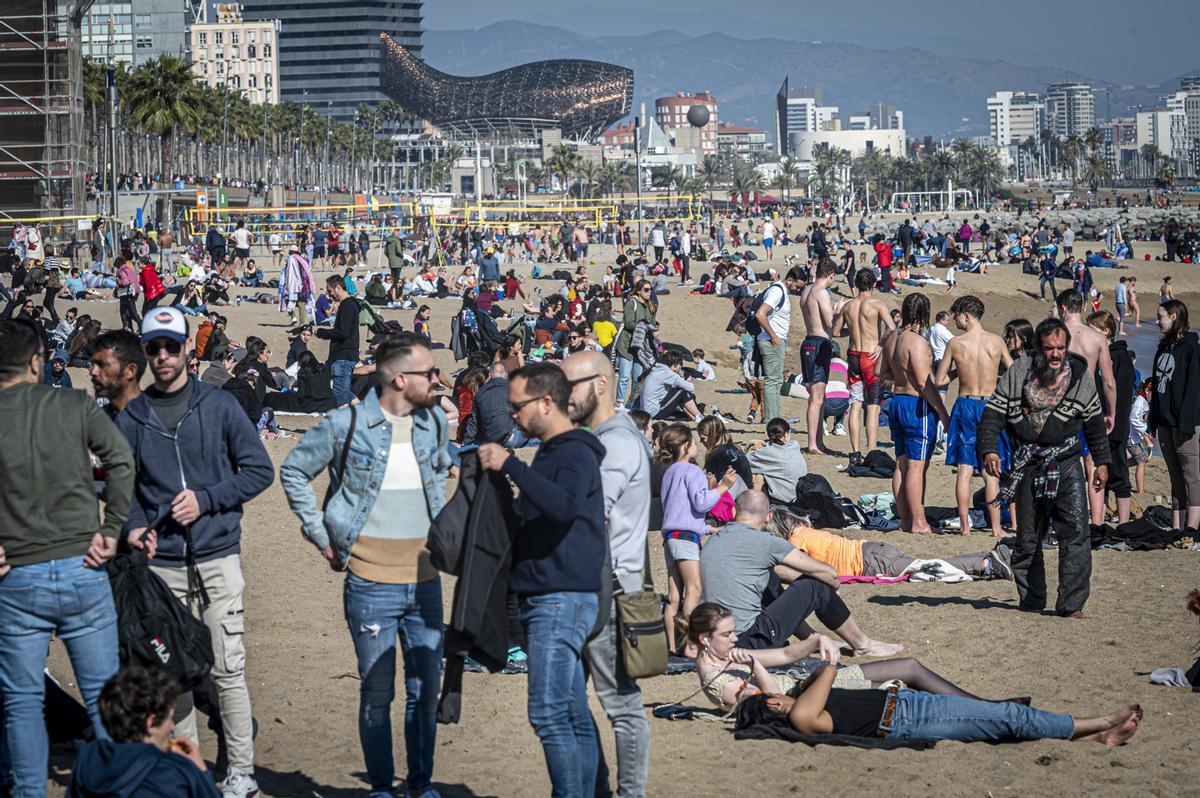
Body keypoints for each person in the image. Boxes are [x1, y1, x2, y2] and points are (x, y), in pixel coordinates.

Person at [280, 334, 449, 798]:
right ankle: (380, 787)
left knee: (423, 692)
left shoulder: (434, 422)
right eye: (429, 373)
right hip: (370, 582)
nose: (438, 380)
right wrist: (321, 536)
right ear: (399, 378)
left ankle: (420, 784)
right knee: (377, 693)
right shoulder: (344, 424)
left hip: (426, 582)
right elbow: (294, 471)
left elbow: (438, 478)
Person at [115, 306, 274, 796]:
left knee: (228, 669)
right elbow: (124, 492)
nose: (163, 356)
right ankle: (189, 772)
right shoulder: (132, 418)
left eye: (171, 345)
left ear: (188, 348)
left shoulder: (220, 406)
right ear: (145, 353)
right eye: (153, 347)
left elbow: (258, 470)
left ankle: (241, 774)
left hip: (218, 557)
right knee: (172, 678)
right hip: (161, 568)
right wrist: (137, 528)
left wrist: (207, 499)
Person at [0, 319, 134, 798]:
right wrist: (112, 528)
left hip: (18, 573)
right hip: (83, 565)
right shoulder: (74, 404)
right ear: (37, 361)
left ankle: (28, 791)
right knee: (103, 697)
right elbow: (120, 460)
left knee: (21, 702)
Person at [477, 363, 606, 798]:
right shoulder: (554, 452)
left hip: (560, 599)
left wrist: (512, 465)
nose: (510, 414)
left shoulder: (574, 452)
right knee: (570, 712)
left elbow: (565, 505)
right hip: (551, 597)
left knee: (549, 713)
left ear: (547, 402)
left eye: (517, 406)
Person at [562, 351, 653, 798]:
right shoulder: (607, 436)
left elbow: (587, 513)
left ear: (600, 384)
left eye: (569, 386)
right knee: (570, 704)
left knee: (620, 705)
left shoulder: (615, 442)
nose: (562, 397)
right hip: (596, 588)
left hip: (610, 593)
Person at [978, 318, 1109, 618]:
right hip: (1028, 463)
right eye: (1049, 348)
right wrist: (988, 449)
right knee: (1027, 539)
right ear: (1038, 347)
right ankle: (1032, 598)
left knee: (1076, 532)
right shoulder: (1020, 371)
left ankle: (1071, 604)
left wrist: (1101, 463)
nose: (1055, 354)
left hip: (1066, 463)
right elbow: (993, 414)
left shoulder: (1081, 378)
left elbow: (1095, 424)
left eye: (1060, 348)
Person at [681, 603, 1018, 714]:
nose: (736, 638)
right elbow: (770, 702)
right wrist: (754, 665)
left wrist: (815, 640)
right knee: (908, 676)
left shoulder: (729, 656)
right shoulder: (717, 681)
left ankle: (992, 708)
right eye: (727, 634)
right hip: (816, 696)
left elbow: (784, 653)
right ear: (704, 639)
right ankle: (993, 709)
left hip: (817, 682)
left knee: (910, 671)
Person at [699, 490, 902, 655]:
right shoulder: (765, 542)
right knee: (816, 585)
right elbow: (828, 573)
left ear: (735, 511)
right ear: (768, 517)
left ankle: (811, 638)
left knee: (771, 579)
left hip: (718, 639)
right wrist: (831, 587)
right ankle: (863, 644)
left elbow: (776, 573)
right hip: (751, 641)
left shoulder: (714, 541)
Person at [734, 665, 1141, 746]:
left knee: (1002, 723)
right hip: (910, 719)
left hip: (908, 706)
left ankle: (1094, 733)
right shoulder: (803, 716)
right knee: (1007, 717)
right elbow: (828, 671)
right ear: (772, 703)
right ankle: (1101, 722)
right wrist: (819, 671)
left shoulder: (803, 709)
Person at [66, 665, 220, 798]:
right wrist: (201, 771)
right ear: (151, 722)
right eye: (169, 719)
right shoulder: (173, 772)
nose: (172, 727)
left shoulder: (89, 757)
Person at [934, 295, 1012, 537]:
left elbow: (939, 380)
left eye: (957, 315)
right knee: (991, 470)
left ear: (966, 315)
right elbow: (1014, 371)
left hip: (966, 404)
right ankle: (996, 527)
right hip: (990, 405)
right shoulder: (996, 341)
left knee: (964, 469)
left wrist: (960, 371)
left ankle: (965, 525)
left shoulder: (956, 344)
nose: (956, 319)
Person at [657, 423, 737, 652]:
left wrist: (708, 530)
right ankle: (691, 647)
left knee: (674, 598)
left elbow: (679, 511)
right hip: (685, 540)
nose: (695, 445)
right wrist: (723, 487)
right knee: (694, 590)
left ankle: (672, 647)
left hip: (670, 538)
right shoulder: (692, 471)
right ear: (685, 445)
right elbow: (701, 503)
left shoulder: (669, 472)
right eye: (692, 442)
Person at [767, 506, 1011, 580]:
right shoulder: (806, 530)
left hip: (869, 561)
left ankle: (985, 563)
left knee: (930, 569)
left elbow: (788, 567)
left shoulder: (796, 539)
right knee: (924, 567)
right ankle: (986, 558)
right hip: (871, 552)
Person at [878, 293, 950, 535]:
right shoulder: (917, 342)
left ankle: (906, 520)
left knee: (901, 464)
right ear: (923, 314)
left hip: (897, 401)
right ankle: (919, 522)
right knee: (917, 467)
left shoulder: (892, 338)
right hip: (916, 405)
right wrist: (941, 410)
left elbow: (881, 371)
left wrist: (901, 376)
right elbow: (923, 382)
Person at [1056, 289, 1117, 525]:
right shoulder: (1098, 338)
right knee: (1093, 465)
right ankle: (1097, 523)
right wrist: (1111, 412)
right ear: (1082, 308)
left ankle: (1065, 520)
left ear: (1062, 308)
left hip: (1060, 408)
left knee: (1060, 463)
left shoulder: (1055, 335)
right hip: (1090, 407)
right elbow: (1109, 382)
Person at [1148, 300, 1200, 534]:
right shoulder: (1163, 348)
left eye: (1161, 317)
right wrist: (1152, 421)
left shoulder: (1191, 348)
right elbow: (1158, 388)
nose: (1157, 321)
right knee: (1175, 477)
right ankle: (1177, 526)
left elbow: (1193, 390)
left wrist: (1186, 424)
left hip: (1185, 424)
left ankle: (1192, 526)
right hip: (1164, 422)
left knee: (1192, 476)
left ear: (1173, 317)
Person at [834, 268, 893, 460]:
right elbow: (892, 328)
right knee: (873, 407)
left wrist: (851, 332)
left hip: (853, 355)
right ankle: (871, 451)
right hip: (870, 356)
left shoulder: (848, 306)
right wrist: (880, 344)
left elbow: (835, 332)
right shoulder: (876, 304)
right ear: (873, 284)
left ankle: (854, 452)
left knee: (855, 404)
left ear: (856, 284)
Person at [1087, 311, 1136, 524]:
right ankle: (1100, 518)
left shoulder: (1118, 356)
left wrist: (1116, 422)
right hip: (1098, 425)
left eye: (1093, 328)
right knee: (1099, 473)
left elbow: (1121, 394)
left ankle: (1123, 522)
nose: (1088, 333)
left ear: (1106, 331)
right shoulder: (1099, 354)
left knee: (1119, 474)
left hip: (1115, 425)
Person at [754, 267, 804, 428]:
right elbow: (760, 314)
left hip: (772, 340)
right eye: (797, 286)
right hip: (771, 341)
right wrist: (774, 337)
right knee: (772, 382)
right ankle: (771, 420)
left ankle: (774, 419)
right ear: (789, 280)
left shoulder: (779, 289)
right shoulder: (777, 291)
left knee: (775, 382)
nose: (798, 290)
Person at [798, 260, 837, 453]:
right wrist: (840, 310)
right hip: (818, 343)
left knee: (817, 396)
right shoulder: (821, 292)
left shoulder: (806, 291)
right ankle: (814, 443)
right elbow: (829, 322)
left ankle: (818, 442)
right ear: (830, 274)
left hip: (810, 342)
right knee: (817, 397)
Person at [316, 275, 360, 407]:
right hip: (343, 355)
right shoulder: (348, 305)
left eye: (329, 291)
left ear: (338, 288)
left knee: (339, 394)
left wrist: (321, 332)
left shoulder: (348, 305)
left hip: (344, 356)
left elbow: (343, 333)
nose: (328, 294)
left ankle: (344, 426)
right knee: (344, 392)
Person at [614, 280, 656, 407]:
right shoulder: (631, 303)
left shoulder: (650, 305)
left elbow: (651, 322)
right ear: (638, 291)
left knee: (637, 378)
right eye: (646, 289)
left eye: (650, 289)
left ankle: (631, 403)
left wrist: (653, 328)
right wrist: (643, 327)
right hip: (627, 345)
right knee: (624, 377)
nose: (649, 292)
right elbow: (629, 323)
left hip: (640, 347)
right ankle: (620, 402)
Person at [746, 418, 809, 503]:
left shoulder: (768, 452)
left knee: (758, 475)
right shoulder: (794, 445)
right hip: (800, 494)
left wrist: (753, 448)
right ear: (786, 434)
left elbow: (746, 461)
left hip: (784, 499)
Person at [89, 330, 146, 417]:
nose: (93, 372)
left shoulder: (154, 424)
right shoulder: (98, 420)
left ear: (130, 371)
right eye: (93, 364)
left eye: (102, 365)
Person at [639, 349, 703, 422]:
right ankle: (699, 416)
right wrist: (681, 377)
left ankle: (694, 417)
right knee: (682, 391)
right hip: (653, 412)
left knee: (679, 392)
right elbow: (691, 387)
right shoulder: (668, 373)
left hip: (646, 410)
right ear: (675, 365)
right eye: (680, 366)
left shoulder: (658, 368)